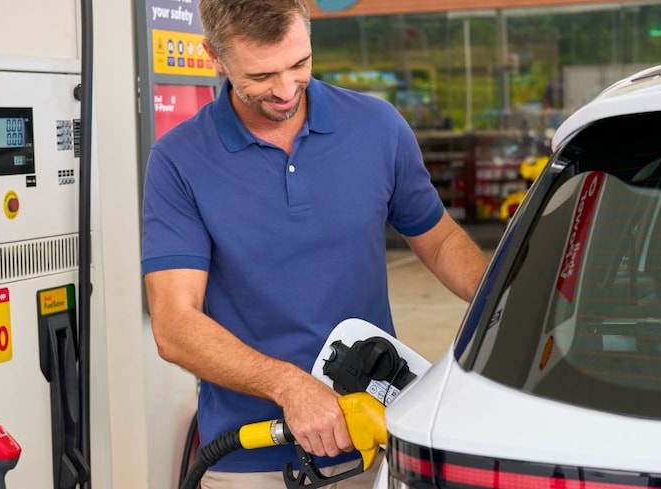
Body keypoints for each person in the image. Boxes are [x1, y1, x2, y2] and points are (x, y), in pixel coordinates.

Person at [140, 1, 488, 487]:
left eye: (299, 64)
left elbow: (439, 240)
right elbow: (174, 325)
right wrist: (288, 386)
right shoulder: (179, 160)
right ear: (214, 57)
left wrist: (510, 304)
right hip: (253, 455)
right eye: (261, 76)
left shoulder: (377, 127)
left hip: (374, 443)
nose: (285, 90)